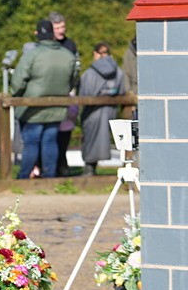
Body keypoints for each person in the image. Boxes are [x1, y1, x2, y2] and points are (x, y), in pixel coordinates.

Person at [10, 19, 77, 178]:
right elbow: (73, 79)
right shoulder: (67, 55)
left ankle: (23, 177)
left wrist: (18, 95)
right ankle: (50, 177)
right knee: (50, 141)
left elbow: (17, 82)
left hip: (31, 108)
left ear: (37, 34)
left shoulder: (32, 55)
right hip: (57, 107)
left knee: (31, 143)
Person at [78, 42, 125, 176]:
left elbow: (83, 93)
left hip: (92, 112)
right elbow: (122, 90)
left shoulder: (90, 73)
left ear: (96, 53)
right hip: (110, 110)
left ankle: (89, 169)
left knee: (90, 137)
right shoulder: (118, 71)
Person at [48, 11, 80, 176]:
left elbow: (75, 69)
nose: (61, 30)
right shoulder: (45, 45)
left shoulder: (70, 45)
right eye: (57, 27)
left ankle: (62, 162)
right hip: (50, 94)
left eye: (63, 27)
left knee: (65, 131)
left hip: (67, 93)